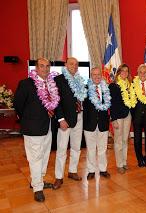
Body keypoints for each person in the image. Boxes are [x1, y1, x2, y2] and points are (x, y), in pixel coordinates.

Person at [14, 58, 60, 202]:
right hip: (32, 127)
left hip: (47, 127)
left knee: (45, 155)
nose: (45, 69)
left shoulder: (51, 84)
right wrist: (28, 118)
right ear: (36, 68)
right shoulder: (26, 84)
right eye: (42, 66)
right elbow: (18, 105)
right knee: (35, 157)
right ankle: (38, 188)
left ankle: (37, 180)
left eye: (47, 66)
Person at [53, 57, 87, 189]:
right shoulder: (58, 80)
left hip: (79, 117)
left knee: (76, 147)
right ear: (66, 64)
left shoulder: (79, 79)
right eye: (72, 63)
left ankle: (72, 171)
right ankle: (58, 177)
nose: (74, 66)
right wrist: (61, 119)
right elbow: (57, 102)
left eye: (76, 64)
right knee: (61, 149)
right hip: (65, 120)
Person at [83, 67, 111, 180]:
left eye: (99, 74)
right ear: (91, 75)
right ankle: (91, 171)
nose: (97, 76)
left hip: (103, 123)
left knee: (102, 148)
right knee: (90, 149)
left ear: (101, 75)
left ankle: (103, 169)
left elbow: (110, 106)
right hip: (89, 124)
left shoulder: (106, 88)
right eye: (94, 74)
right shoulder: (85, 89)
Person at [109, 64, 134, 174]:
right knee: (118, 141)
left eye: (127, 71)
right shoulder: (114, 86)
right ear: (118, 72)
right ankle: (119, 164)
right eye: (122, 71)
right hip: (118, 117)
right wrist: (113, 119)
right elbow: (112, 104)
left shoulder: (129, 85)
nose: (125, 73)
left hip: (127, 115)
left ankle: (124, 162)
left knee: (125, 140)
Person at [131, 64, 146, 167]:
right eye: (140, 72)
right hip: (136, 116)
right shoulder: (133, 84)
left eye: (145, 72)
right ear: (137, 73)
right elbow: (130, 101)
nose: (142, 74)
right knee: (137, 139)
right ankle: (140, 159)